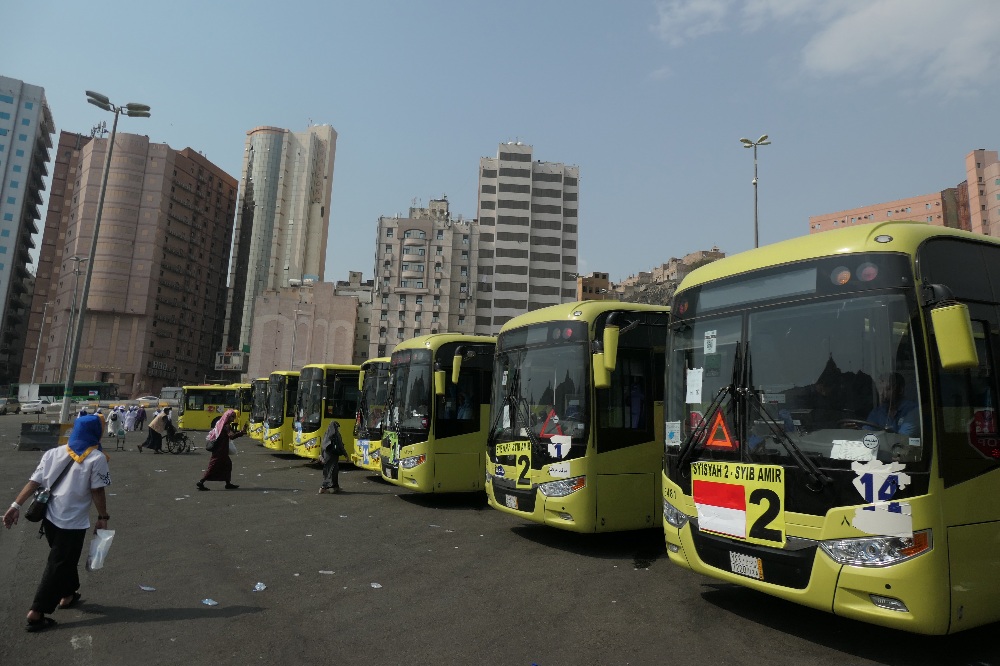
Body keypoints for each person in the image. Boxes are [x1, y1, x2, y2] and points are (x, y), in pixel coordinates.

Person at [2, 414, 111, 633]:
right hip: (73, 522)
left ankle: (68, 593)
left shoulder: (53, 453)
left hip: (50, 518)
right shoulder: (96, 458)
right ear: (94, 433)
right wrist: (103, 517)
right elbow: (97, 490)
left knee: (64, 558)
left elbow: (34, 482)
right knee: (59, 562)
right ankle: (37, 612)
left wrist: (16, 505)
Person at [197, 409, 243, 491]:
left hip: (220, 450)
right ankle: (201, 482)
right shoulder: (226, 425)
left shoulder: (220, 423)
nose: (233, 419)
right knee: (213, 466)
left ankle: (228, 483)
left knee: (227, 465)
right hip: (220, 451)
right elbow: (231, 436)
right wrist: (242, 433)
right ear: (228, 416)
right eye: (232, 417)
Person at [318, 420, 346, 494]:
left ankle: (335, 487)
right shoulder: (336, 435)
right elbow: (340, 445)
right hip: (333, 455)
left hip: (326, 454)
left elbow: (323, 446)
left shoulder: (326, 434)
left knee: (332, 470)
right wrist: (346, 455)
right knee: (331, 471)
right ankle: (323, 487)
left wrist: (321, 455)